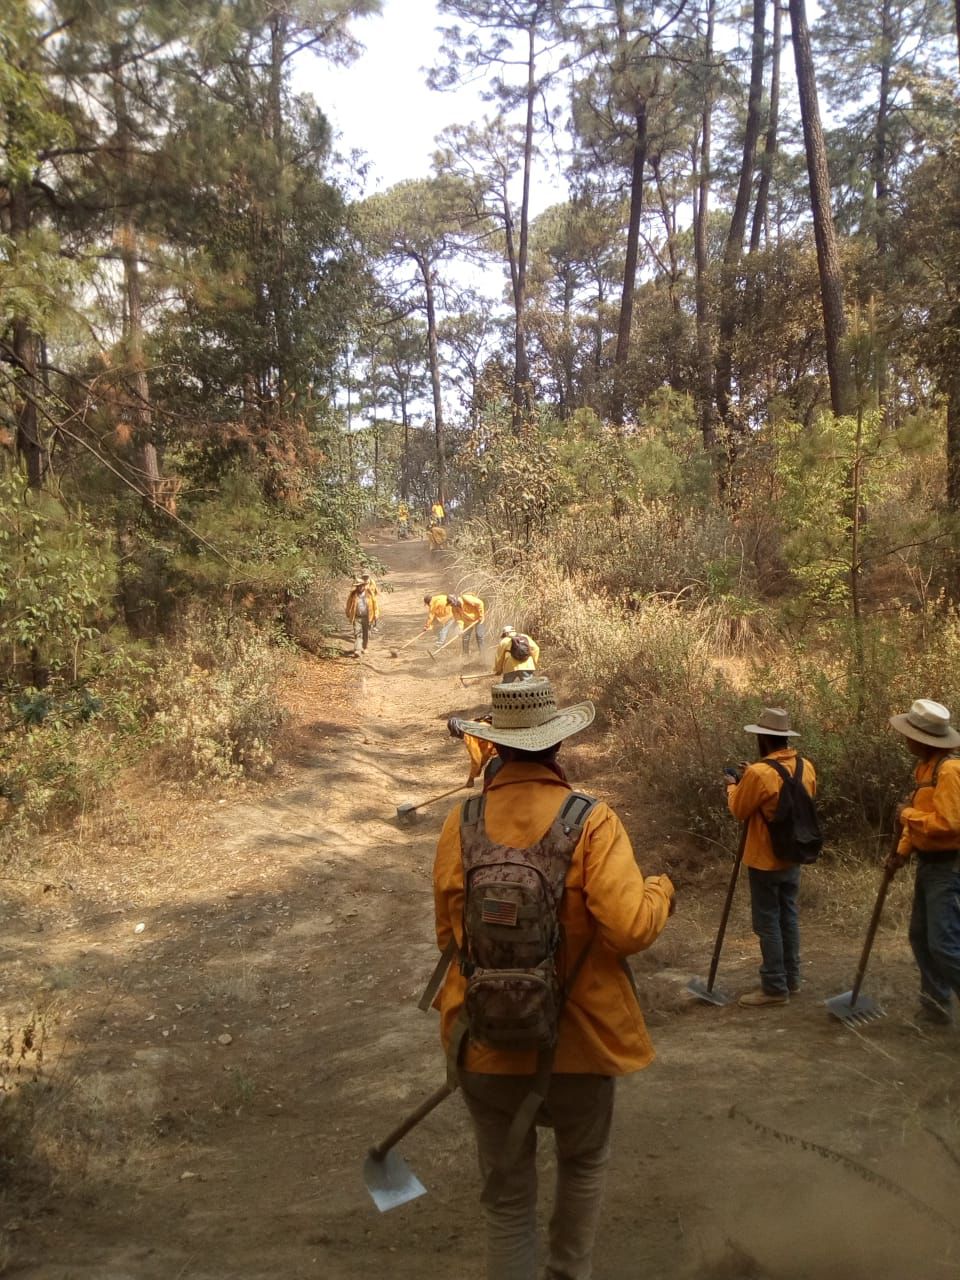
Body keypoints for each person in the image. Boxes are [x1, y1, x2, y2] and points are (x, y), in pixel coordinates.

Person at [431, 678, 675, 1280]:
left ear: (495, 749)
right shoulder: (591, 821)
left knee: (508, 1198)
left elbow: (449, 940)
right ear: (557, 747)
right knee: (583, 1164)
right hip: (581, 1042)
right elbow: (628, 930)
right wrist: (660, 891)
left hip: (483, 1042)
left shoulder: (460, 823)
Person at [724, 706, 817, 1007]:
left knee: (767, 921)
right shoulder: (805, 766)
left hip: (765, 857)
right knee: (788, 915)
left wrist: (732, 785)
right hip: (794, 853)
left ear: (763, 738)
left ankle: (775, 987)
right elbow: (785, 794)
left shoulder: (758, 773)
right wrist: (753, 773)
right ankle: (792, 978)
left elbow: (739, 809)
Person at [887, 698, 960, 1025]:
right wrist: (901, 853)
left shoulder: (951, 771)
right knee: (920, 936)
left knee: (943, 944)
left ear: (923, 738)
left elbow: (949, 824)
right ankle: (935, 1006)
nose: (905, 739)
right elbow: (919, 821)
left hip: (950, 865)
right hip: (929, 863)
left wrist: (907, 813)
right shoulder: (926, 770)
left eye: (910, 734)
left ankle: (938, 1003)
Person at [447, 714, 501, 789]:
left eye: (456, 735)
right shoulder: (473, 724)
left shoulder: (469, 735)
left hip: (501, 752)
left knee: (491, 779)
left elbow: (476, 759)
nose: (458, 737)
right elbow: (483, 755)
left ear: (457, 731)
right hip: (503, 750)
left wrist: (471, 779)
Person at [345, 576, 379, 658]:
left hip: (367, 617)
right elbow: (348, 604)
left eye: (361, 586)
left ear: (364, 586)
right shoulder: (353, 594)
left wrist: (376, 615)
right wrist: (348, 613)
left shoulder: (370, 594)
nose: (360, 587)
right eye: (358, 586)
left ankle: (365, 647)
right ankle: (357, 650)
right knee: (357, 633)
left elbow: (375, 605)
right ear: (356, 587)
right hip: (357, 617)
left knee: (366, 633)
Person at [451, 592, 486, 656]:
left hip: (478, 619)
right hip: (467, 621)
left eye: (456, 604)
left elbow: (480, 603)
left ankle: (482, 654)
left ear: (457, 599)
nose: (455, 606)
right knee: (465, 637)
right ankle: (465, 654)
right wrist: (460, 628)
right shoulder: (454, 608)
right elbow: (459, 619)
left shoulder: (465, 598)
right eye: (453, 605)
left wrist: (481, 615)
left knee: (479, 636)